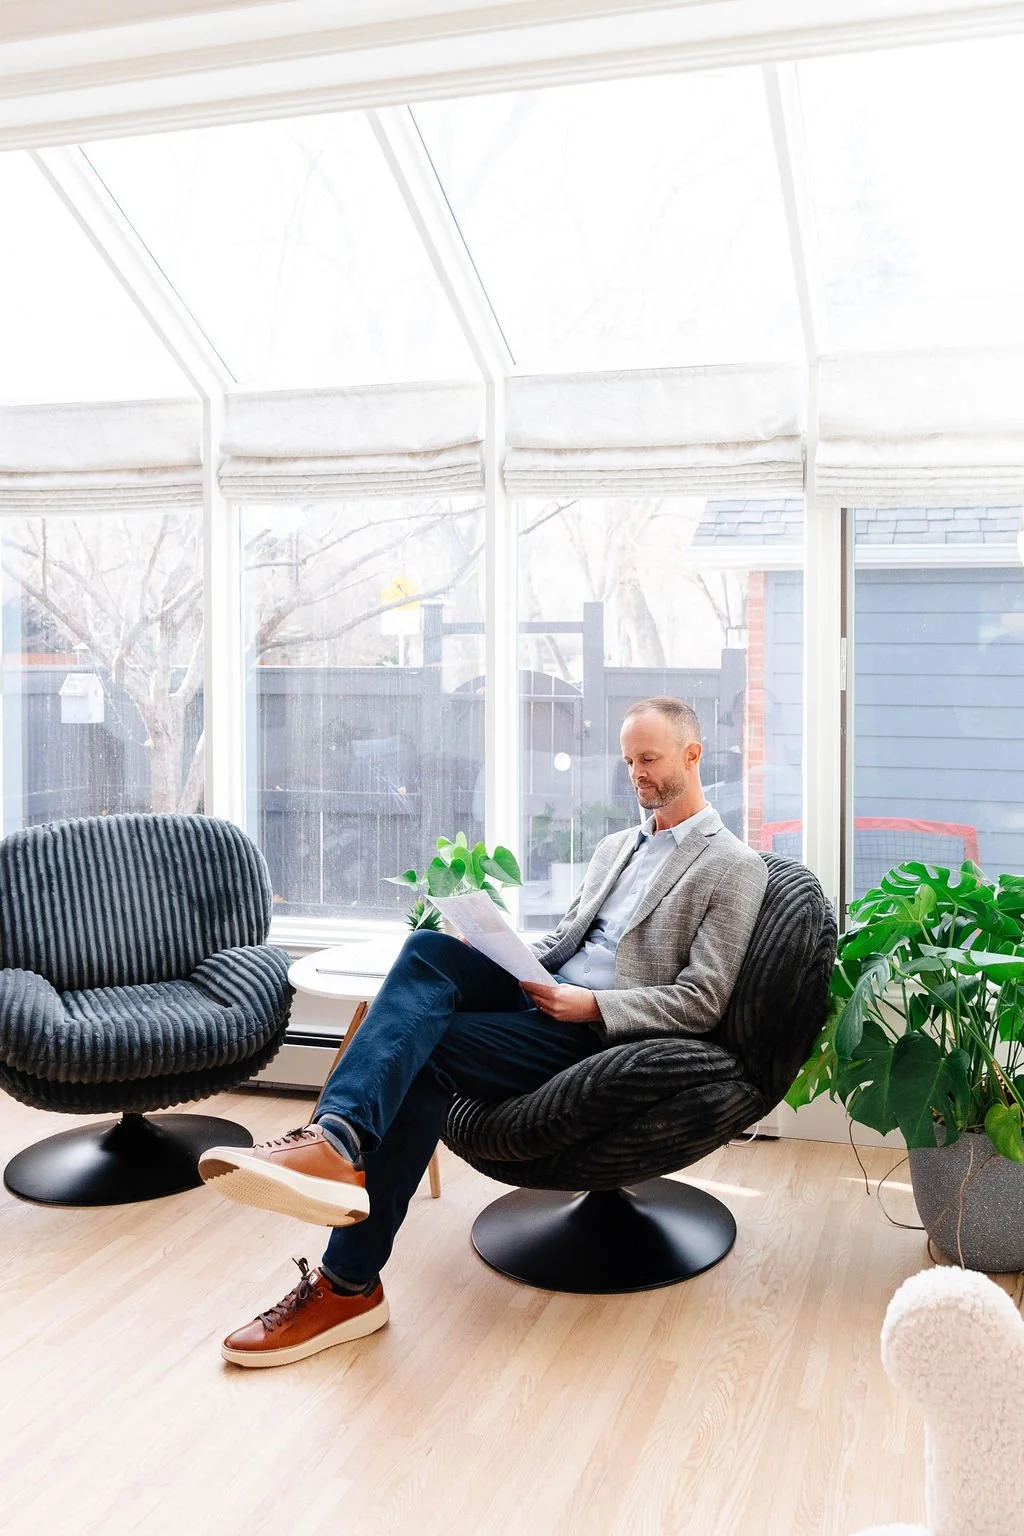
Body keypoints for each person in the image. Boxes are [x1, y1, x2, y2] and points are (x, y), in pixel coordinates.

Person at [199, 696, 769, 1368]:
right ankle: (338, 1143)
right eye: (628, 761)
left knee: (427, 1054)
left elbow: (701, 1000)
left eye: (648, 759)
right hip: (544, 996)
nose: (635, 774)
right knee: (428, 950)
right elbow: (567, 941)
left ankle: (347, 1279)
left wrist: (589, 1007)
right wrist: (504, 951)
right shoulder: (619, 846)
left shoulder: (732, 866)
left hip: (596, 1031)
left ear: (692, 755)